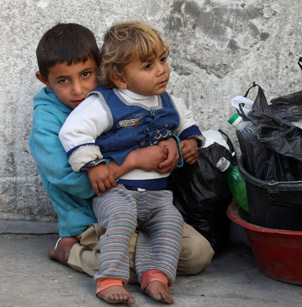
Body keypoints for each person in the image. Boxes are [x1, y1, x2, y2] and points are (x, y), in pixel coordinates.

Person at [29, 22, 214, 304]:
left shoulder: (114, 97)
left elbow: (151, 128)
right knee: (131, 256)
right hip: (91, 219)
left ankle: (143, 265)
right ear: (46, 81)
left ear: (102, 69)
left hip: (146, 205)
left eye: (87, 74)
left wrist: (175, 147)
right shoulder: (47, 124)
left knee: (198, 254)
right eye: (64, 80)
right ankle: (72, 253)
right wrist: (132, 162)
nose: (79, 89)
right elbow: (76, 182)